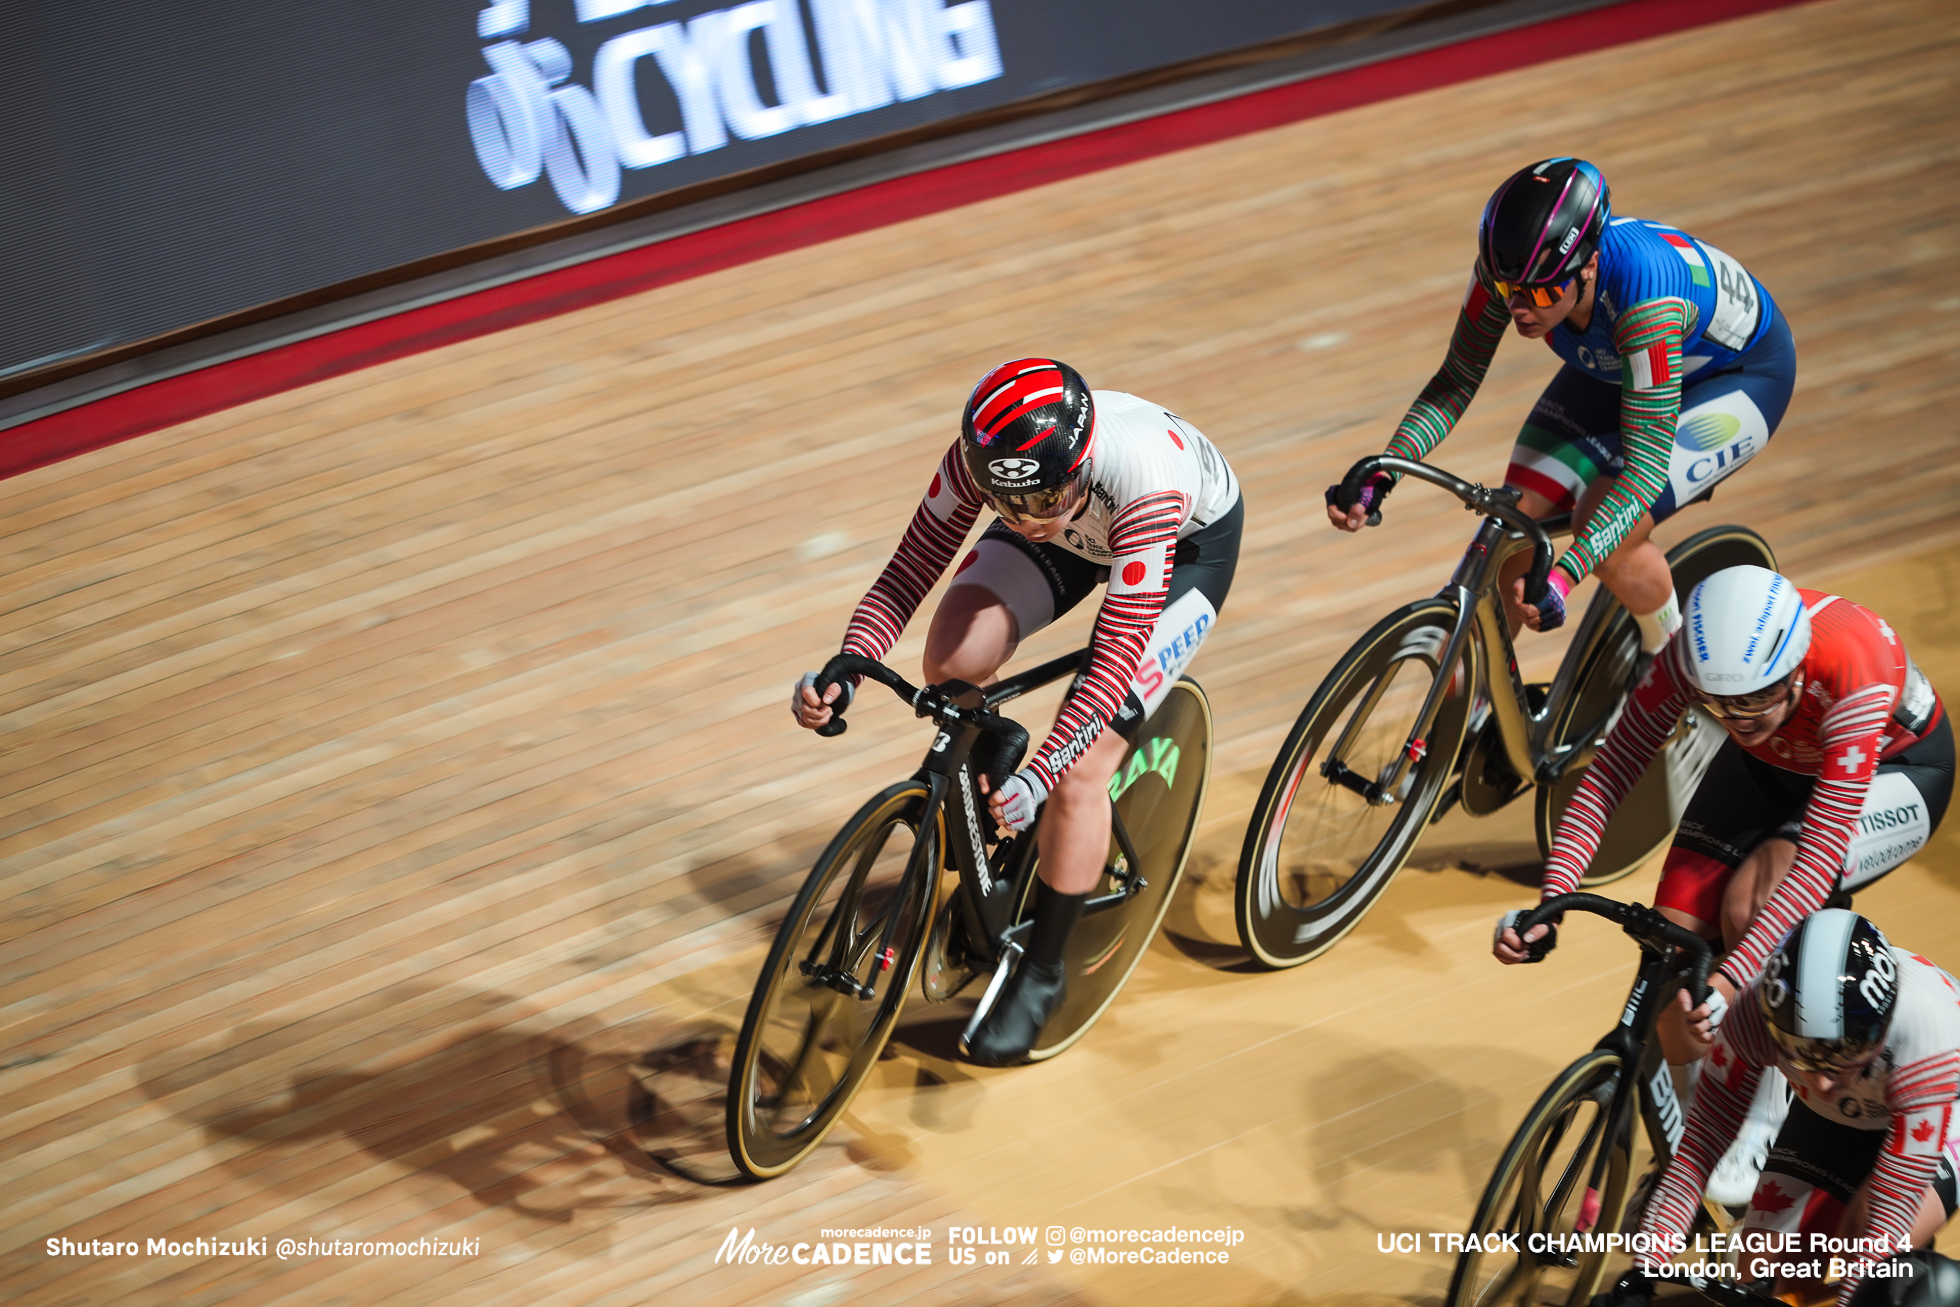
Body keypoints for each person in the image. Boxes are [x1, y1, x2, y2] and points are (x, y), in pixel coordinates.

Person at [791, 358, 1242, 1065]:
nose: (1026, 521)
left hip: (1181, 547)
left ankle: (1043, 970)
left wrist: (1045, 772)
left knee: (1082, 770)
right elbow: (909, 570)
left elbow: (1115, 657)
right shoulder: (995, 460)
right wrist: (845, 667)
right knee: (952, 655)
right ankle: (994, 767)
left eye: (1041, 499)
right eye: (1011, 506)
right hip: (1085, 528)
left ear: (1081, 463)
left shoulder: (1144, 481)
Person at [1496, 565, 1952, 1201]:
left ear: (1794, 670)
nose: (1736, 717)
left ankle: (1761, 1128)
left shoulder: (1853, 666)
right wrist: (1554, 897)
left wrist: (1734, 980)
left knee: (1753, 905)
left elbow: (1819, 854)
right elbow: (1612, 772)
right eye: (1720, 704)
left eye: (1753, 698)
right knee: (1672, 951)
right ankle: (1690, 1140)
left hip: (1897, 770)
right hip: (1778, 763)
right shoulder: (1694, 659)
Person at [1328, 157, 1795, 644]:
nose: (1521, 309)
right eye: (1510, 291)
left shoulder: (1645, 300)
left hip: (1738, 377)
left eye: (1544, 293)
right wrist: (1386, 470)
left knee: (1605, 531)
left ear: (1589, 264)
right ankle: (1481, 706)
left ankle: (1674, 676)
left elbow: (1646, 470)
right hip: (1620, 362)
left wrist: (1563, 576)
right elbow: (1457, 378)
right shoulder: (1513, 270)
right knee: (1511, 533)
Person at [1600, 911, 1960, 1307]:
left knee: (1871, 1253)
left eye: (1843, 1053)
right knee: (1761, 1277)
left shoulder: (1926, 1045)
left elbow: (1888, 1219)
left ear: (1881, 1024)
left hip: (1943, 1110)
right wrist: (1642, 1274)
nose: (1823, 1083)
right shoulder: (1752, 1017)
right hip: (1841, 1117)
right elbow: (1696, 1154)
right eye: (1804, 1055)